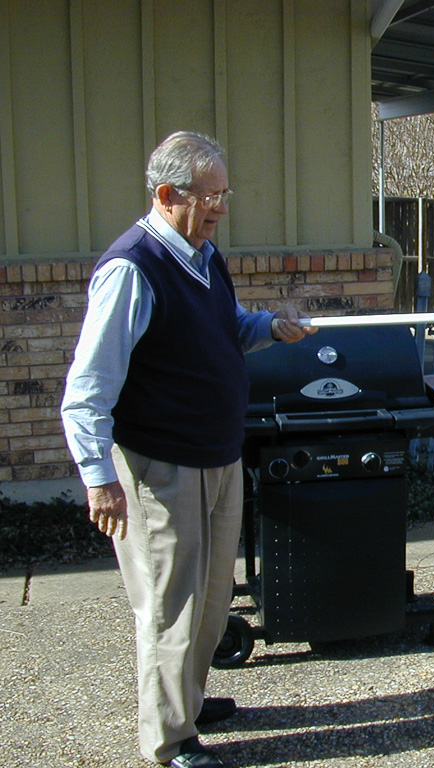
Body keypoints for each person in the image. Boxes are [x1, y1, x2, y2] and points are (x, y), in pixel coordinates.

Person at [61, 131, 316, 768]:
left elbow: (223, 329)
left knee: (209, 597)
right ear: (168, 195)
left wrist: (269, 329)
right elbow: (87, 389)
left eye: (225, 194)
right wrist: (98, 476)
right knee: (170, 606)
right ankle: (170, 740)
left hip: (217, 456)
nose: (222, 207)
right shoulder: (132, 269)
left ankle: (189, 699)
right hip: (159, 467)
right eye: (210, 195)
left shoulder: (205, 256)